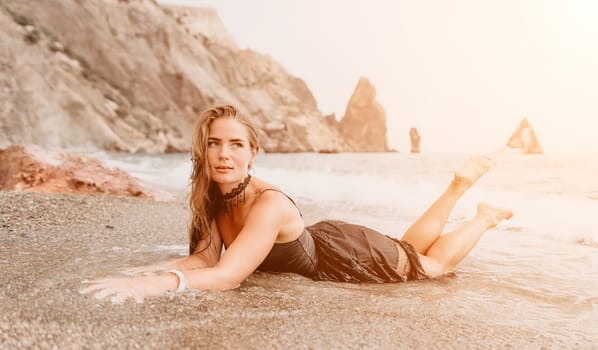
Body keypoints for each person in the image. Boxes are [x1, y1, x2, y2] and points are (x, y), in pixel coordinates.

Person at [81, 105, 513, 303]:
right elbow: (204, 258)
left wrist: (153, 286)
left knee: (431, 267)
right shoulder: (212, 197)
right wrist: (139, 273)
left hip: (344, 256)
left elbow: (228, 277)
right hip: (329, 241)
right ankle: (455, 188)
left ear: (254, 154)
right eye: (214, 144)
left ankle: (483, 216)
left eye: (236, 145)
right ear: (203, 151)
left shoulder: (267, 204)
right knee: (411, 252)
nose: (224, 154)